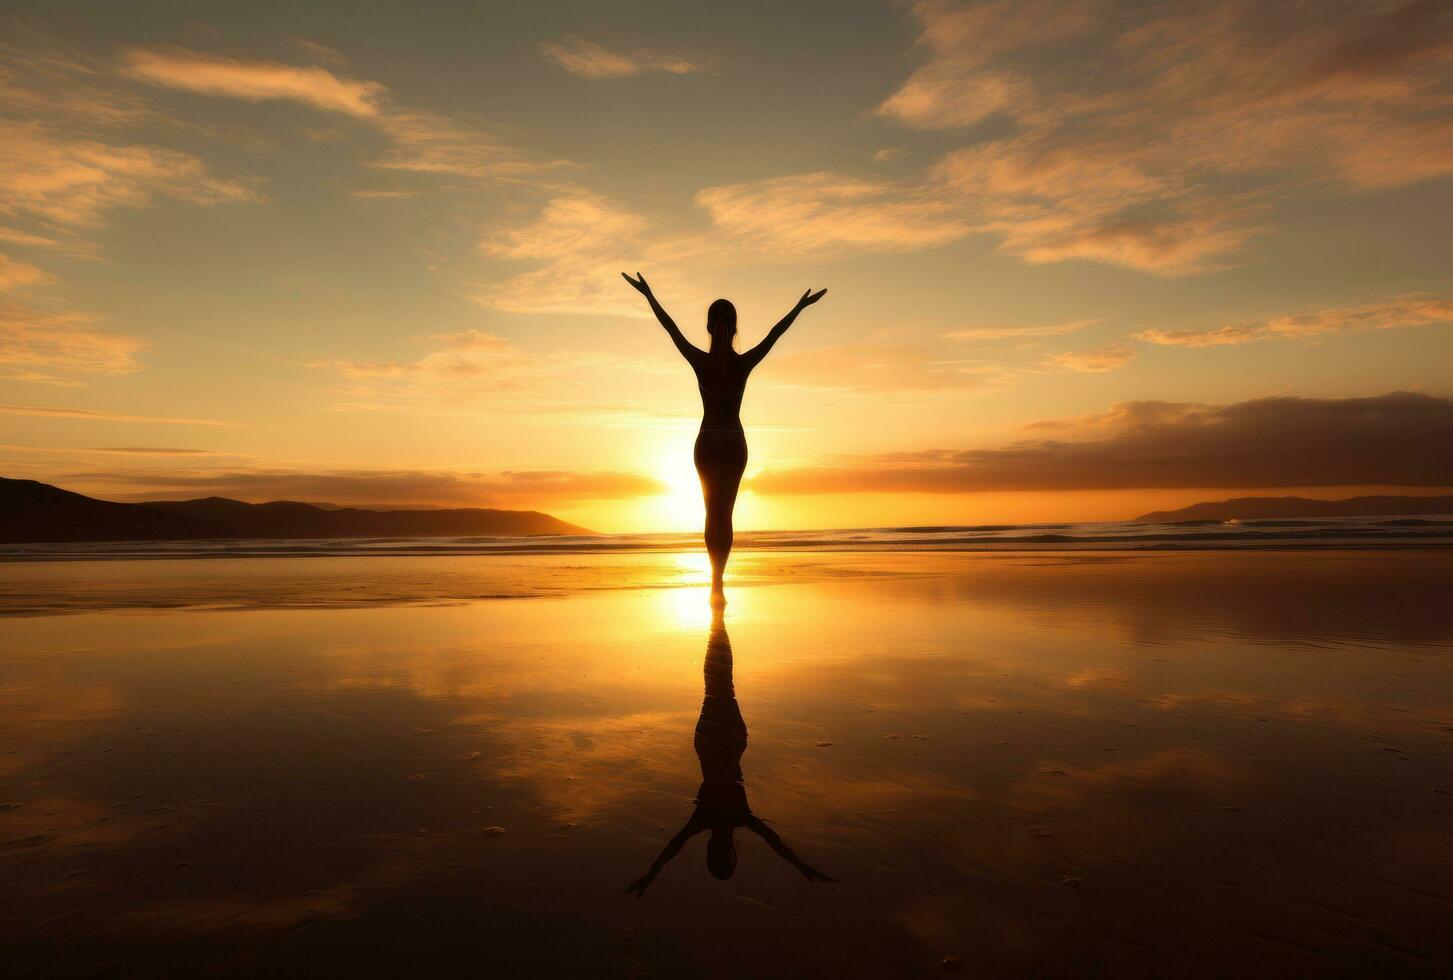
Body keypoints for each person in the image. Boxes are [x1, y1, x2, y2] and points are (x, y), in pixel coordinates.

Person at [623, 273, 826, 600]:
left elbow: (670, 328)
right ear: (734, 329)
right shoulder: (742, 363)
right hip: (733, 441)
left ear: (708, 327)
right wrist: (800, 307)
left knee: (710, 513)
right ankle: (719, 580)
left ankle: (713, 581)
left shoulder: (700, 362)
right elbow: (775, 334)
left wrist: (648, 295)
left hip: (707, 442)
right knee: (726, 514)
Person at [625, 607, 834, 897]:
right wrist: (801, 867)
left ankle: (717, 621)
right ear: (712, 851)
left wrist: (652, 874)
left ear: (728, 853)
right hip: (710, 743)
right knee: (716, 686)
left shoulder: (736, 818)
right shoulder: (712, 819)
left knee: (722, 685)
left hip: (730, 741)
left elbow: (774, 844)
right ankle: (717, 621)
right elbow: (774, 845)